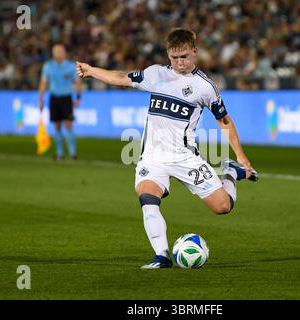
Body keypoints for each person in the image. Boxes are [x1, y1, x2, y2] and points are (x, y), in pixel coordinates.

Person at [76, 28, 258, 269]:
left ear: (195, 51)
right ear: (167, 55)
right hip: (152, 157)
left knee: (222, 207)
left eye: (184, 56)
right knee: (147, 197)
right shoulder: (156, 74)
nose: (180, 62)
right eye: (174, 57)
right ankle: (161, 256)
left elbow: (224, 121)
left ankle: (231, 173)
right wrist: (92, 71)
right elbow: (122, 78)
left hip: (184, 157)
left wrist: (241, 156)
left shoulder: (205, 87)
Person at [39, 44, 82, 160]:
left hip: (66, 98)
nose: (58, 53)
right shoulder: (48, 66)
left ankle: (73, 153)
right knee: (57, 125)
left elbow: (78, 82)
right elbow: (43, 83)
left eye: (60, 51)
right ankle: (60, 152)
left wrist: (78, 97)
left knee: (68, 124)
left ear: (64, 53)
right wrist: (41, 99)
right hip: (54, 98)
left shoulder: (71, 66)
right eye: (56, 51)